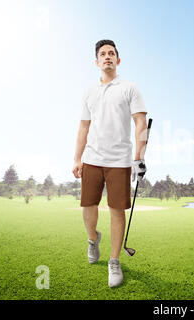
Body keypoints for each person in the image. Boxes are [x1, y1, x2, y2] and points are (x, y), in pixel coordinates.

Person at [72, 39, 148, 288]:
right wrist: (76, 158)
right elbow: (84, 127)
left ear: (118, 60)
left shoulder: (129, 88)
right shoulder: (89, 92)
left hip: (119, 161)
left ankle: (113, 261)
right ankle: (93, 239)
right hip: (92, 159)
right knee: (88, 206)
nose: (107, 56)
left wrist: (140, 157)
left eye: (111, 53)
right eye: (102, 54)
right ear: (96, 62)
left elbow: (139, 123)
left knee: (116, 210)